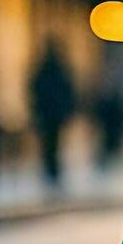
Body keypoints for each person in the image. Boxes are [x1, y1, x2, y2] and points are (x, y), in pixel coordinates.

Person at [30, 42, 76, 185]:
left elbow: (34, 90)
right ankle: (52, 169)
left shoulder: (43, 71)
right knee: (53, 143)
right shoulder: (59, 71)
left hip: (48, 114)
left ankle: (50, 169)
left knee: (48, 144)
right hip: (53, 114)